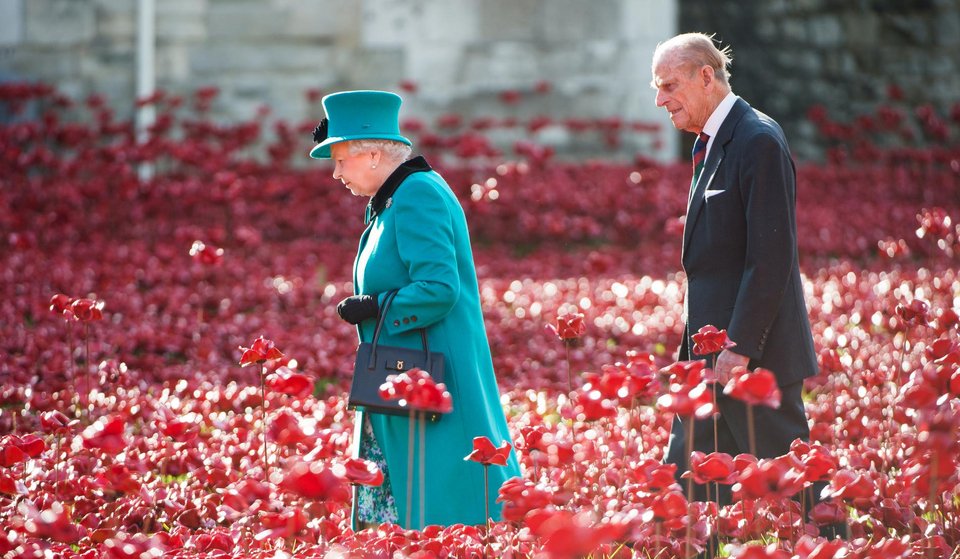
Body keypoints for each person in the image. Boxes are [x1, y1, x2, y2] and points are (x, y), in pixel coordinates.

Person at [308, 90, 520, 529]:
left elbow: (441, 287)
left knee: (449, 500)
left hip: (431, 377)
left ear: (369, 154)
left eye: (340, 160)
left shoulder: (416, 194)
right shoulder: (395, 196)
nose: (335, 173)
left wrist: (377, 305)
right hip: (406, 373)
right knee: (418, 497)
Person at [651, 34, 823, 509]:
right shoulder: (712, 140)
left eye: (668, 85)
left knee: (797, 492)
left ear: (707, 77)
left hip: (751, 358)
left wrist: (740, 347)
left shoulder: (758, 140)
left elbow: (771, 258)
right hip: (709, 358)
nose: (661, 99)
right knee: (690, 492)